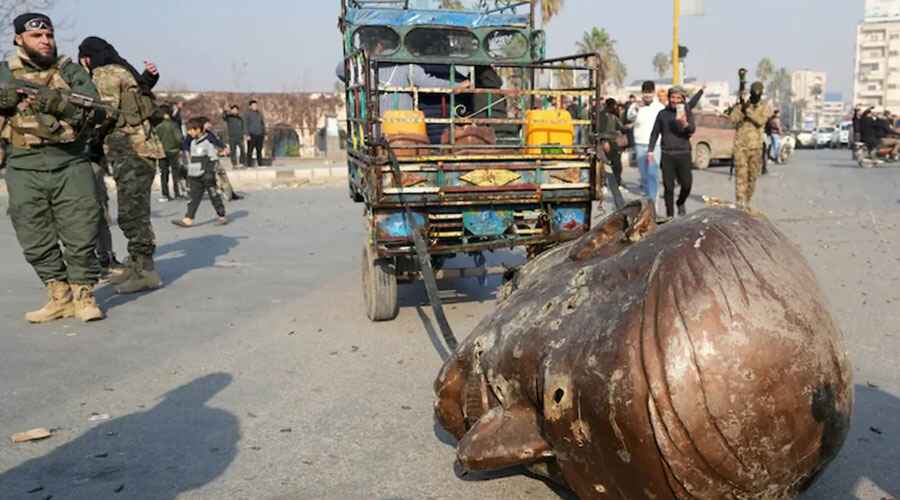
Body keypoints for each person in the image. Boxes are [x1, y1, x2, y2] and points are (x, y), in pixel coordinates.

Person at [0, 13, 104, 322]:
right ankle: (59, 295)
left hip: (69, 161)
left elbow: (97, 113)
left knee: (81, 229)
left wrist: (58, 103)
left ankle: (84, 295)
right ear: (19, 39)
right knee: (32, 232)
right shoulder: (5, 73)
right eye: (36, 36)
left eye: (49, 34)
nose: (45, 41)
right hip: (22, 164)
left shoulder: (70, 71)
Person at [78, 36, 165, 294]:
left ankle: (145, 272)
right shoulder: (122, 70)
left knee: (132, 214)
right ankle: (136, 266)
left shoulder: (104, 73)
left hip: (131, 151)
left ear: (86, 58)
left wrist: (85, 135)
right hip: (138, 150)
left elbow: (104, 112)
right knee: (133, 210)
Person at [648, 86, 698, 218]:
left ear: (682, 99)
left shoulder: (686, 112)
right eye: (673, 97)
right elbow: (655, 133)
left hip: (684, 153)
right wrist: (650, 151)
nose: (675, 100)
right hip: (667, 154)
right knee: (668, 188)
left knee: (687, 185)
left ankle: (680, 202)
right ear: (669, 98)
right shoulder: (662, 114)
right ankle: (669, 216)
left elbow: (692, 130)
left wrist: (685, 123)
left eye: (678, 98)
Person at [172, 117, 228, 227]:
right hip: (194, 175)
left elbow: (213, 159)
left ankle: (221, 215)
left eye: (191, 130)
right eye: (188, 130)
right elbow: (191, 158)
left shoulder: (207, 142)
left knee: (214, 195)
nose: (189, 132)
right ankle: (188, 219)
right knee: (194, 197)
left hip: (206, 174)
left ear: (198, 129)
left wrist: (210, 173)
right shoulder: (192, 142)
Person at [728, 81, 771, 212]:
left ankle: (747, 199)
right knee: (741, 177)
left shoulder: (764, 107)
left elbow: (761, 120)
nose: (755, 95)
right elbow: (732, 120)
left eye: (758, 94)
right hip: (740, 146)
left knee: (752, 177)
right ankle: (740, 203)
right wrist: (741, 109)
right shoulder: (742, 106)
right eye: (753, 93)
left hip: (756, 147)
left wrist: (748, 111)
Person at [628, 81, 665, 208]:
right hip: (639, 145)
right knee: (644, 176)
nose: (648, 95)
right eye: (645, 93)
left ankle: (653, 206)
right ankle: (647, 202)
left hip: (655, 146)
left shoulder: (659, 107)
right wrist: (637, 108)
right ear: (642, 93)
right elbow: (629, 117)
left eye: (650, 92)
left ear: (654, 93)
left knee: (652, 174)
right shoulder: (636, 106)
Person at [153, 105, 185, 201]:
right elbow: (179, 138)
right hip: (174, 151)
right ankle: (177, 193)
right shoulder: (174, 125)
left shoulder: (158, 127)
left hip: (162, 152)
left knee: (164, 173)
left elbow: (155, 139)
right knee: (175, 173)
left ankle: (165, 194)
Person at [597, 98, 625, 186]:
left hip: (613, 141)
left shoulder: (611, 114)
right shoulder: (603, 115)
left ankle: (614, 182)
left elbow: (620, 126)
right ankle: (608, 183)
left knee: (614, 164)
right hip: (608, 141)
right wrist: (604, 141)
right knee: (611, 164)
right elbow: (601, 130)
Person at [243, 99, 266, 167]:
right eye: (253, 105)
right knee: (250, 150)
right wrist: (247, 134)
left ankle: (260, 164)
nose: (255, 106)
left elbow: (262, 124)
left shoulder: (259, 113)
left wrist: (264, 133)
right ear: (250, 106)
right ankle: (249, 164)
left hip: (259, 134)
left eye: (256, 105)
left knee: (259, 150)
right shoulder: (247, 114)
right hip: (251, 134)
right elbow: (245, 124)